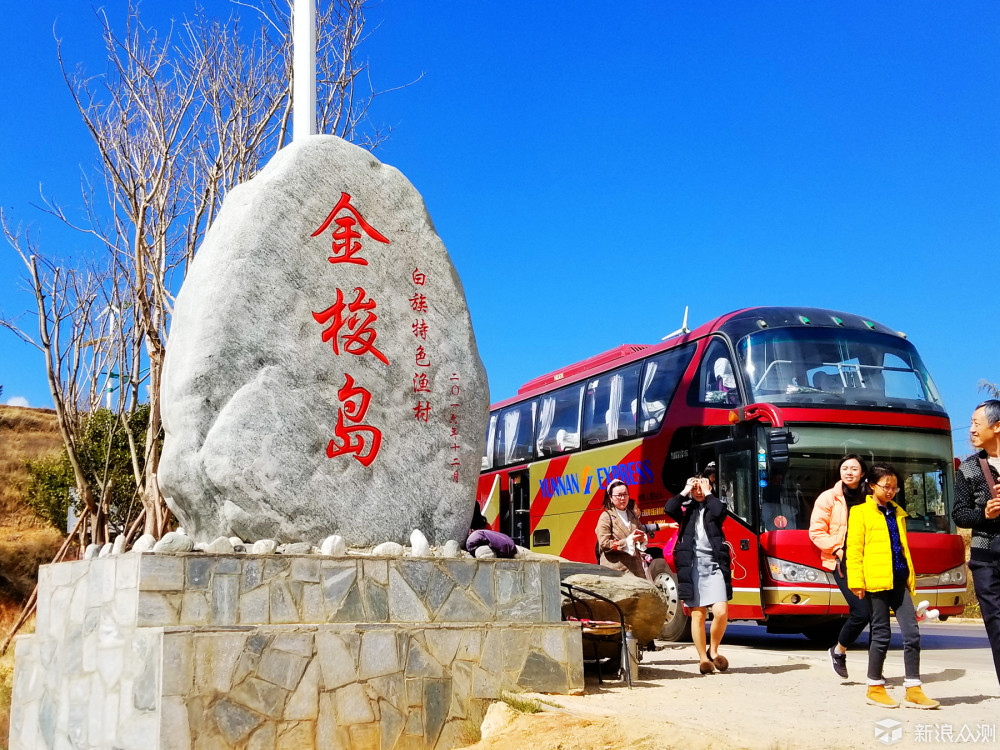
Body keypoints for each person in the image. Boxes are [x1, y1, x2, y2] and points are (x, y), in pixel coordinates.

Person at [846, 463, 939, 708]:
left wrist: (910, 576)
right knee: (881, 634)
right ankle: (874, 687)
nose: (890, 491)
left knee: (912, 634)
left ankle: (913, 688)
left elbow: (901, 548)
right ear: (872, 486)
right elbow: (854, 550)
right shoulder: (859, 512)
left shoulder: (898, 512)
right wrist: (856, 581)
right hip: (875, 582)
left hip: (899, 580)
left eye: (895, 487)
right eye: (886, 487)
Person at [808, 454, 872, 679]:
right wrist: (837, 549)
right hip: (841, 561)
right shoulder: (829, 498)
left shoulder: (873, 496)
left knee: (879, 616)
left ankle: (876, 672)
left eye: (854, 468)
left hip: (871, 561)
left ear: (862, 473)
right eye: (845, 468)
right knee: (861, 612)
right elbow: (816, 531)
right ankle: (839, 651)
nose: (849, 472)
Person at [952, 399, 1000, 688]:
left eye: (975, 423)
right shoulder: (970, 468)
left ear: (997, 427)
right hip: (985, 557)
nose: (970, 429)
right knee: (996, 624)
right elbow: (960, 513)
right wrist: (985, 513)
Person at [665, 474, 732, 674]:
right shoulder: (686, 510)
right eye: (696, 488)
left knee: (721, 611)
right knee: (698, 614)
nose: (699, 491)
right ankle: (703, 658)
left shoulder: (714, 507)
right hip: (692, 566)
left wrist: (709, 492)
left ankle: (714, 649)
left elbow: (720, 511)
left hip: (714, 565)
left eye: (702, 487)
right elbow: (669, 508)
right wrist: (685, 490)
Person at [596, 479, 654, 578]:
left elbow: (640, 530)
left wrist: (641, 538)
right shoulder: (606, 517)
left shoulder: (632, 514)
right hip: (616, 572)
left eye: (625, 494)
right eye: (619, 495)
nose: (622, 498)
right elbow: (604, 544)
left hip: (636, 570)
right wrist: (627, 541)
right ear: (611, 497)